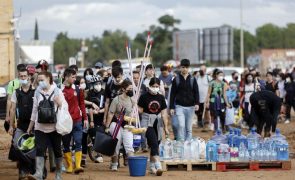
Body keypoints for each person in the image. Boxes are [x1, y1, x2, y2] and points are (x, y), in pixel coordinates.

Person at [27, 71, 64, 180]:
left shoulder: (57, 91)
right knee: (40, 149)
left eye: (42, 80)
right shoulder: (37, 92)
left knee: (57, 150)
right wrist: (30, 127)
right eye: (39, 81)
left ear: (49, 79)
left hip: (54, 127)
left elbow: (64, 110)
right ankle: (38, 174)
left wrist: (60, 103)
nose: (40, 82)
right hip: (40, 127)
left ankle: (58, 174)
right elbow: (34, 111)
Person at [138, 78, 169, 176]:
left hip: (158, 122)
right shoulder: (144, 97)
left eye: (157, 86)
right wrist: (135, 105)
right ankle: (158, 165)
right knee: (154, 143)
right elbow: (140, 111)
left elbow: (164, 114)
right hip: (147, 122)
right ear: (149, 86)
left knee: (155, 144)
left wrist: (166, 127)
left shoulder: (161, 97)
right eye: (153, 86)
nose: (155, 88)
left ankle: (151, 167)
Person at [8, 68, 35, 179]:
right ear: (18, 78)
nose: (23, 78)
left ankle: (31, 171)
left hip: (33, 125)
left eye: (25, 76)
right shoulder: (16, 92)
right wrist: (10, 125)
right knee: (16, 146)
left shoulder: (35, 91)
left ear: (28, 76)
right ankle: (24, 170)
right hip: (21, 125)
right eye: (21, 76)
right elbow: (13, 109)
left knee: (32, 148)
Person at [61, 68, 88, 174]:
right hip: (65, 122)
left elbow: (82, 104)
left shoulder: (78, 89)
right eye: (72, 77)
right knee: (66, 144)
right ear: (66, 77)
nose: (74, 79)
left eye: (75, 77)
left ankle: (77, 165)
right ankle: (69, 166)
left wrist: (85, 118)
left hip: (77, 120)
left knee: (78, 142)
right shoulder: (59, 89)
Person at [105, 80, 135, 171]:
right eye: (129, 89)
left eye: (132, 89)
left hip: (127, 125)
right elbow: (110, 113)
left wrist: (136, 105)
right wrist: (107, 126)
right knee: (116, 145)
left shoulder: (132, 100)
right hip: (116, 124)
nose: (131, 90)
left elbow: (135, 114)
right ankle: (114, 163)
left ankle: (133, 166)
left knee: (129, 146)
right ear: (123, 89)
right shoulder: (116, 99)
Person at [169, 59, 199, 141]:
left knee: (189, 128)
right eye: (183, 67)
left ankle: (188, 144)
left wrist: (197, 103)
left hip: (191, 107)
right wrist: (172, 107)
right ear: (180, 68)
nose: (184, 69)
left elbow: (196, 92)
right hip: (179, 106)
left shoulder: (193, 79)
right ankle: (181, 143)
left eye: (186, 67)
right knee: (181, 125)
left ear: (189, 68)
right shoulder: (176, 79)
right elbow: (172, 94)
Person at [84, 75, 105, 164]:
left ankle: (100, 151)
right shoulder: (89, 93)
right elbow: (85, 105)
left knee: (102, 132)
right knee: (91, 131)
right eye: (96, 84)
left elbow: (107, 106)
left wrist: (100, 111)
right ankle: (96, 153)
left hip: (101, 116)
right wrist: (92, 107)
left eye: (99, 83)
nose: (98, 85)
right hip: (91, 116)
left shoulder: (104, 92)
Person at [196, 65, 211, 129]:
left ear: (205, 71)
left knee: (207, 112)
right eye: (200, 70)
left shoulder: (208, 78)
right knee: (198, 111)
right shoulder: (197, 78)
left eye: (203, 70)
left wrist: (209, 98)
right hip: (198, 99)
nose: (201, 71)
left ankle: (207, 124)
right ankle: (200, 123)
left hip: (206, 98)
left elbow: (211, 88)